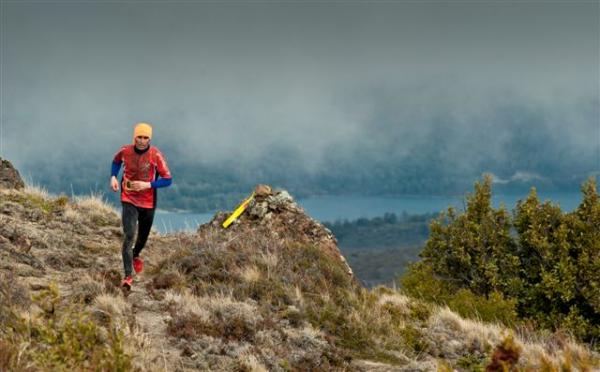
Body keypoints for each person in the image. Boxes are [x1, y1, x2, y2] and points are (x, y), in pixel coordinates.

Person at [110, 123, 172, 289]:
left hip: (148, 201)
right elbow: (115, 162)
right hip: (128, 198)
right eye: (139, 137)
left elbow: (168, 180)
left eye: (145, 138)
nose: (142, 141)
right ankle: (128, 276)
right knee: (129, 235)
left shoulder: (156, 155)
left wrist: (148, 185)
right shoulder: (125, 151)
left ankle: (136, 254)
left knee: (142, 239)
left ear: (150, 139)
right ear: (134, 137)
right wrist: (113, 177)